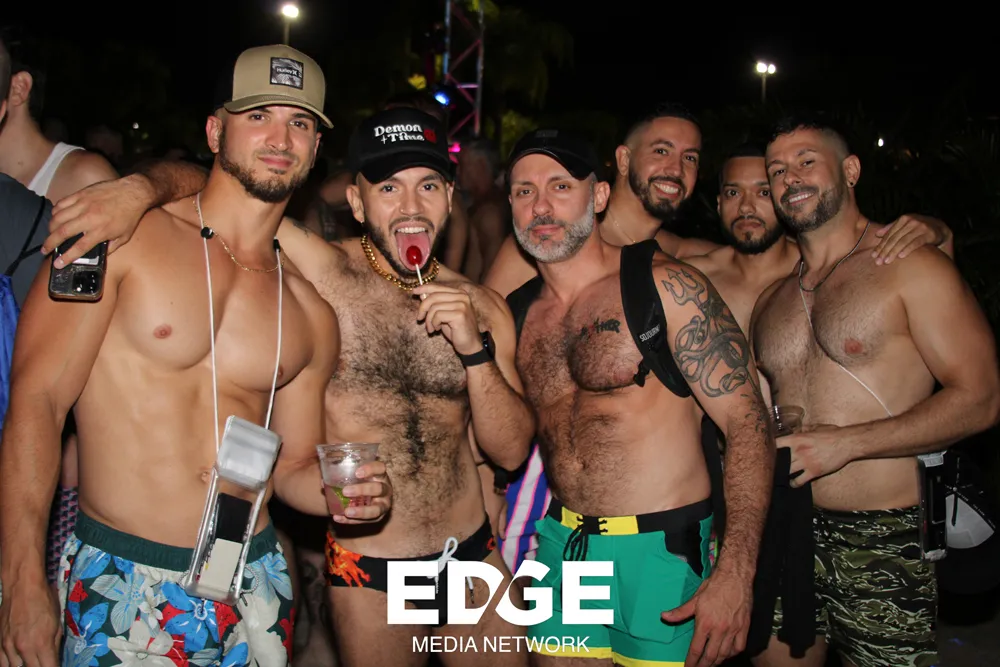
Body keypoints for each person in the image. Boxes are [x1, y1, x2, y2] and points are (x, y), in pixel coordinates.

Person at [34, 106, 536, 667]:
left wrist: (474, 351)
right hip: (370, 569)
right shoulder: (321, 274)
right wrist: (139, 188)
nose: (411, 206)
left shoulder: (484, 308)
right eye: (389, 187)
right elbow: (234, 183)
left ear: (450, 197)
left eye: (428, 186)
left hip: (472, 557)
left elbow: (511, 450)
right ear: (356, 203)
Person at [0, 44, 391, 667]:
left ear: (317, 147)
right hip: (123, 578)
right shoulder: (114, 239)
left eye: (300, 123)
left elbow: (293, 464)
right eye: (257, 116)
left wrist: (343, 495)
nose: (280, 138)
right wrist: (21, 579)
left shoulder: (310, 312)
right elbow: (37, 402)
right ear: (214, 131)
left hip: (254, 580)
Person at [494, 110, 954, 575]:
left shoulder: (690, 264)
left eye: (691, 157)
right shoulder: (542, 242)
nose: (676, 168)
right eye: (661, 150)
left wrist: (936, 232)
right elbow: (485, 350)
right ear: (622, 160)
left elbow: (849, 260)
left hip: (699, 510)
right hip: (557, 503)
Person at [506, 128, 774, 667]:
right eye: (524, 191)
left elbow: (749, 424)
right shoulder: (518, 314)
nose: (541, 206)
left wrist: (736, 571)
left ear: (600, 195)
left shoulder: (667, 287)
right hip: (563, 543)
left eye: (561, 186)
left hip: (662, 551)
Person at [749, 117, 1000, 667]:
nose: (791, 177)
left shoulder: (911, 266)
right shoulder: (770, 301)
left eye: (807, 161)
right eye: (777, 170)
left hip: (885, 532)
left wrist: (845, 444)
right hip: (786, 524)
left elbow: (982, 398)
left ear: (851, 170)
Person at [456, 137, 510, 282]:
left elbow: (493, 271)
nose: (458, 172)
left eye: (462, 165)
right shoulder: (482, 207)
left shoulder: (490, 213)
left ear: (480, 165)